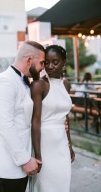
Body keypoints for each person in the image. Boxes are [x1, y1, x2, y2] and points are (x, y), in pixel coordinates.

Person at [0, 40, 45, 192]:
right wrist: (25, 160)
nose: (43, 68)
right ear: (29, 60)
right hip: (7, 166)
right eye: (42, 63)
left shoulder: (23, 82)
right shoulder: (4, 82)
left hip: (19, 166)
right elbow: (6, 125)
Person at [30, 45, 75, 192]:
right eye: (46, 62)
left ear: (64, 63)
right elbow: (35, 122)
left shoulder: (66, 84)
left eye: (55, 62)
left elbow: (65, 118)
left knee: (62, 184)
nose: (50, 66)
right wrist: (37, 156)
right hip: (44, 145)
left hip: (61, 144)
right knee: (45, 186)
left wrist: (70, 146)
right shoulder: (39, 85)